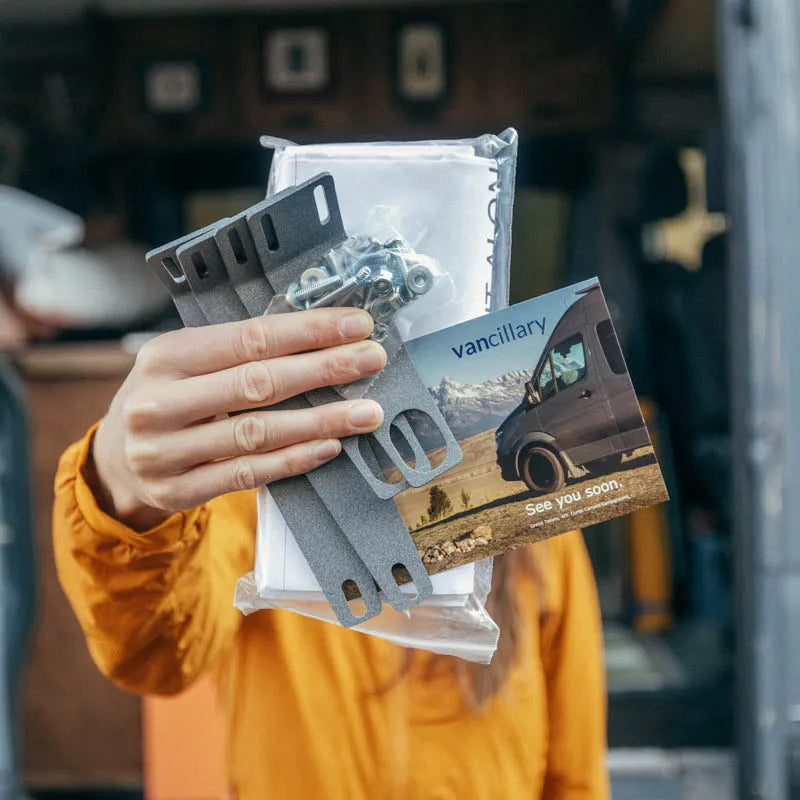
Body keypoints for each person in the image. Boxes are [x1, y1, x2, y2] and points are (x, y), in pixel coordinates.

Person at [53, 307, 609, 799]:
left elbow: (576, 766)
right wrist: (120, 493)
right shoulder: (257, 499)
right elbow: (160, 653)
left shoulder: (531, 514)